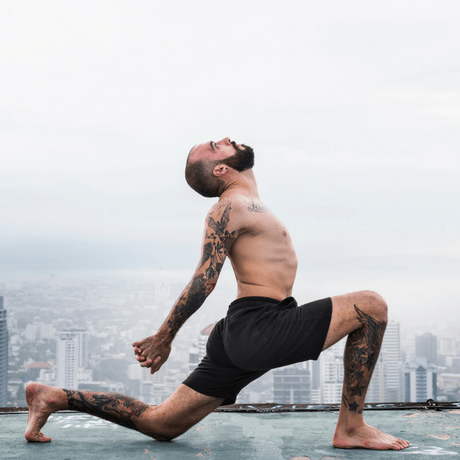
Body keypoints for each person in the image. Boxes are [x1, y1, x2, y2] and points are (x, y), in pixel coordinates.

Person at [25, 138, 410, 450]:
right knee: (370, 305)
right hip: (258, 327)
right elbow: (204, 279)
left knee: (162, 424)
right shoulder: (230, 206)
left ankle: (55, 396)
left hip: (241, 333)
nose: (225, 139)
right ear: (221, 169)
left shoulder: (250, 206)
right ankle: (351, 427)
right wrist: (165, 335)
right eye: (216, 144)